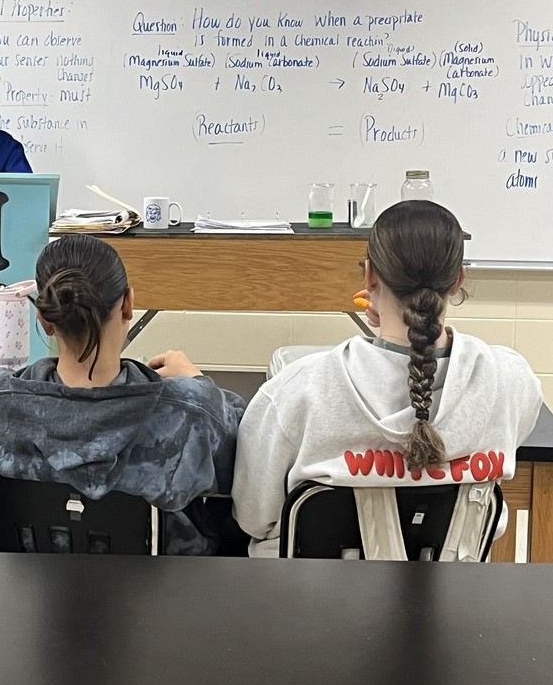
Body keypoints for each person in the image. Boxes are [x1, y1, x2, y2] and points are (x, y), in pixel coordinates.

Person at [232, 201, 543, 558]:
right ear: (458, 279)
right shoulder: (510, 380)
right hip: (456, 607)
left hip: (312, 609)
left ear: (370, 276)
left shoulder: (299, 389)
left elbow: (254, 518)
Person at [0, 234, 245, 555]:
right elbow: (239, 445)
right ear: (128, 305)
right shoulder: (190, 411)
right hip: (164, 599)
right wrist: (197, 382)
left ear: (44, 317)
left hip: (31, 598)